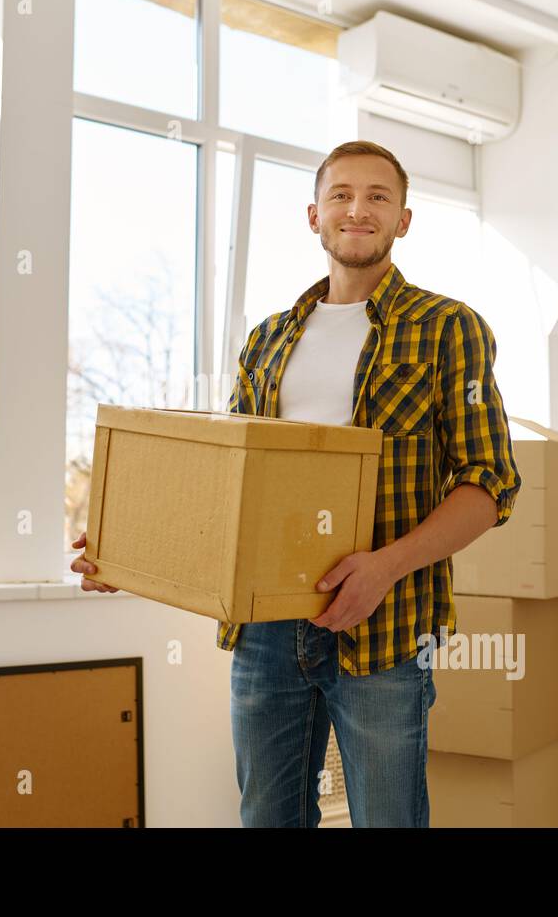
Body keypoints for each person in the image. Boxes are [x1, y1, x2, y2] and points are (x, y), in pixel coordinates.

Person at [72, 139, 521, 827]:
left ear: (404, 220)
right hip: (266, 630)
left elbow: (489, 484)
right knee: (267, 819)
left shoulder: (447, 327)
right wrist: (127, 554)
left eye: (378, 196)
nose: (357, 209)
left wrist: (383, 568)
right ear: (314, 215)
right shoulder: (268, 339)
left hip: (385, 625)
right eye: (341, 194)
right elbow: (228, 486)